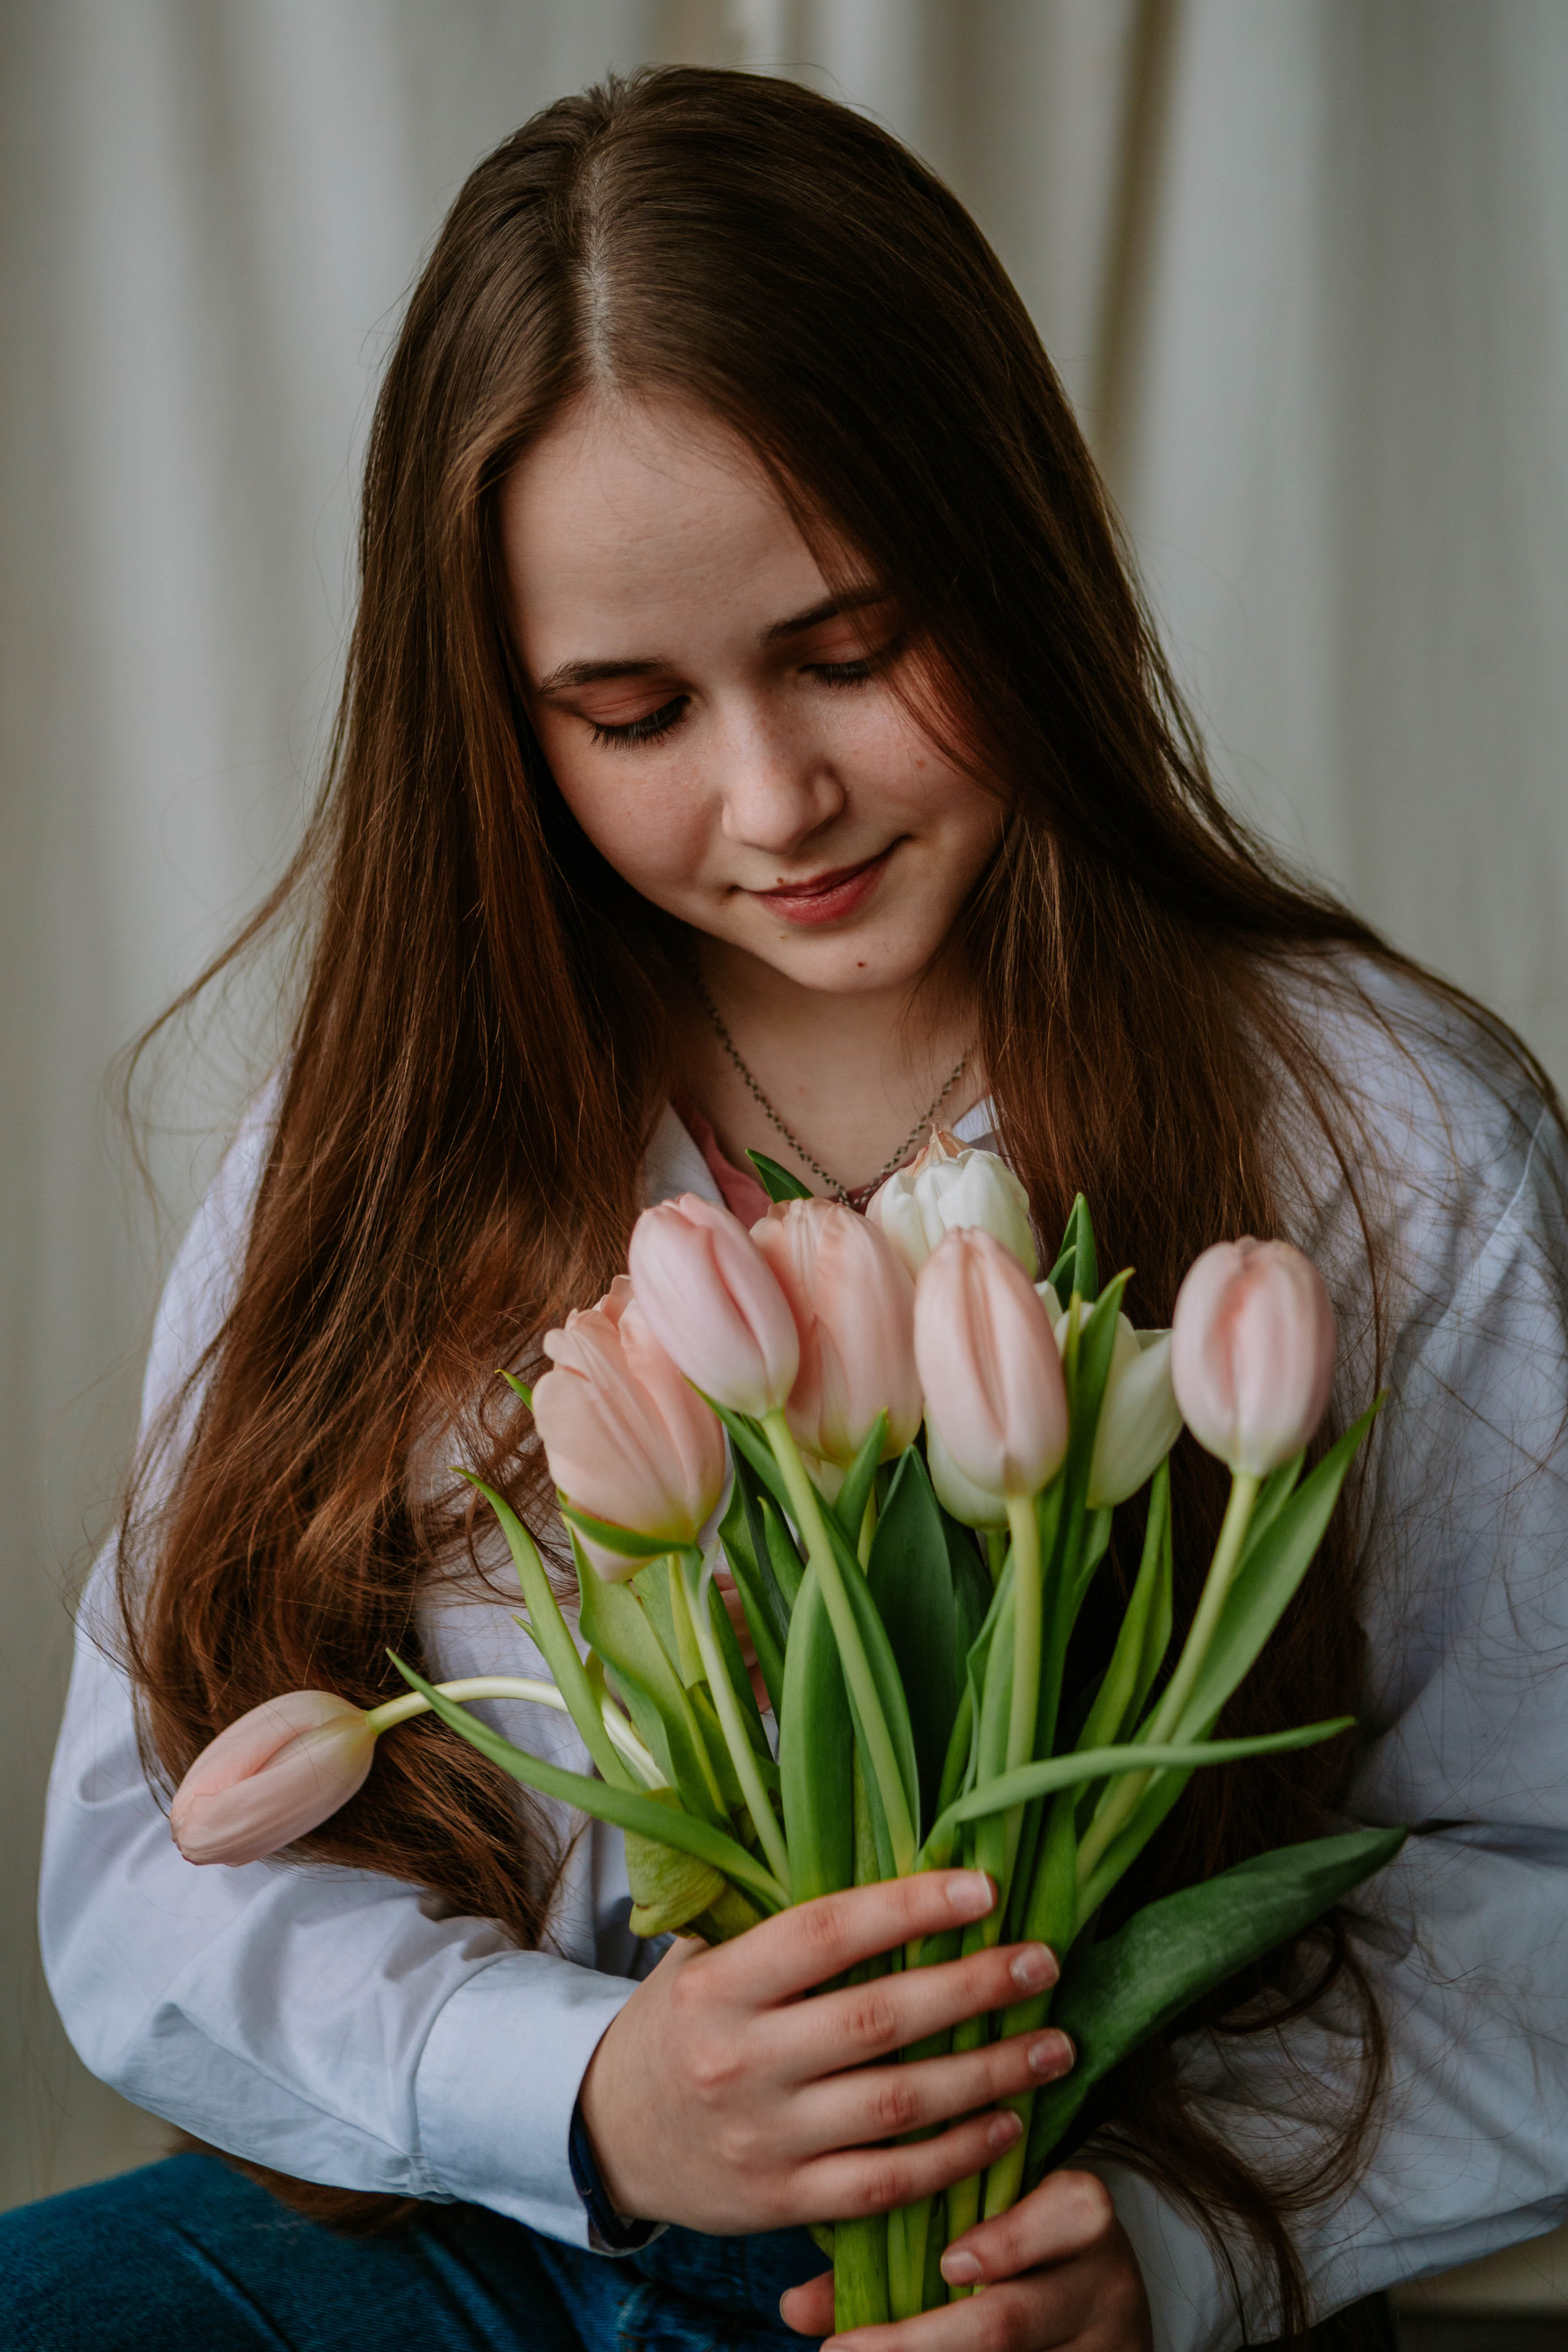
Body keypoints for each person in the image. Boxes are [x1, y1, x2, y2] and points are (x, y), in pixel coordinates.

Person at [10, 62, 1567, 2352]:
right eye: (633, 714)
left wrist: (1168, 2241)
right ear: (503, 721)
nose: (775, 799)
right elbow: (143, 1868)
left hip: (1071, 2240)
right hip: (502, 2219)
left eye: (850, 655)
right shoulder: (392, 1139)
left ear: (1019, 556)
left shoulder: (1379, 1130)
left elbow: (1540, 1877)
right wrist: (591, 2092)